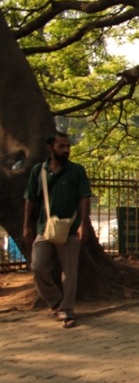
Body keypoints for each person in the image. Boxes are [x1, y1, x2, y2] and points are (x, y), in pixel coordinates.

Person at [23, 131, 92, 329]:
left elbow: (84, 197)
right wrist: (26, 225)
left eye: (68, 146)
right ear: (50, 147)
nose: (66, 150)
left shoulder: (76, 171)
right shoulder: (39, 170)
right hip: (44, 228)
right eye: (61, 146)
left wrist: (83, 223)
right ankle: (54, 301)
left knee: (69, 273)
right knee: (38, 267)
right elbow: (30, 199)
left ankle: (67, 310)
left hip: (69, 228)